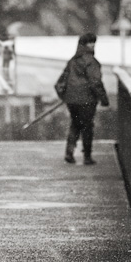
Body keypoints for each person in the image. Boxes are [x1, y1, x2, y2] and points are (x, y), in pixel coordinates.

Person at [55, 32, 110, 164]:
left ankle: (69, 152)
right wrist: (104, 98)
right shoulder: (91, 62)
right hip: (87, 100)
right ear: (85, 45)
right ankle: (87, 157)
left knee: (75, 124)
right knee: (87, 126)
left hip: (72, 100)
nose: (92, 45)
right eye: (90, 43)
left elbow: (61, 81)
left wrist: (66, 96)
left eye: (93, 43)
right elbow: (95, 82)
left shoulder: (72, 61)